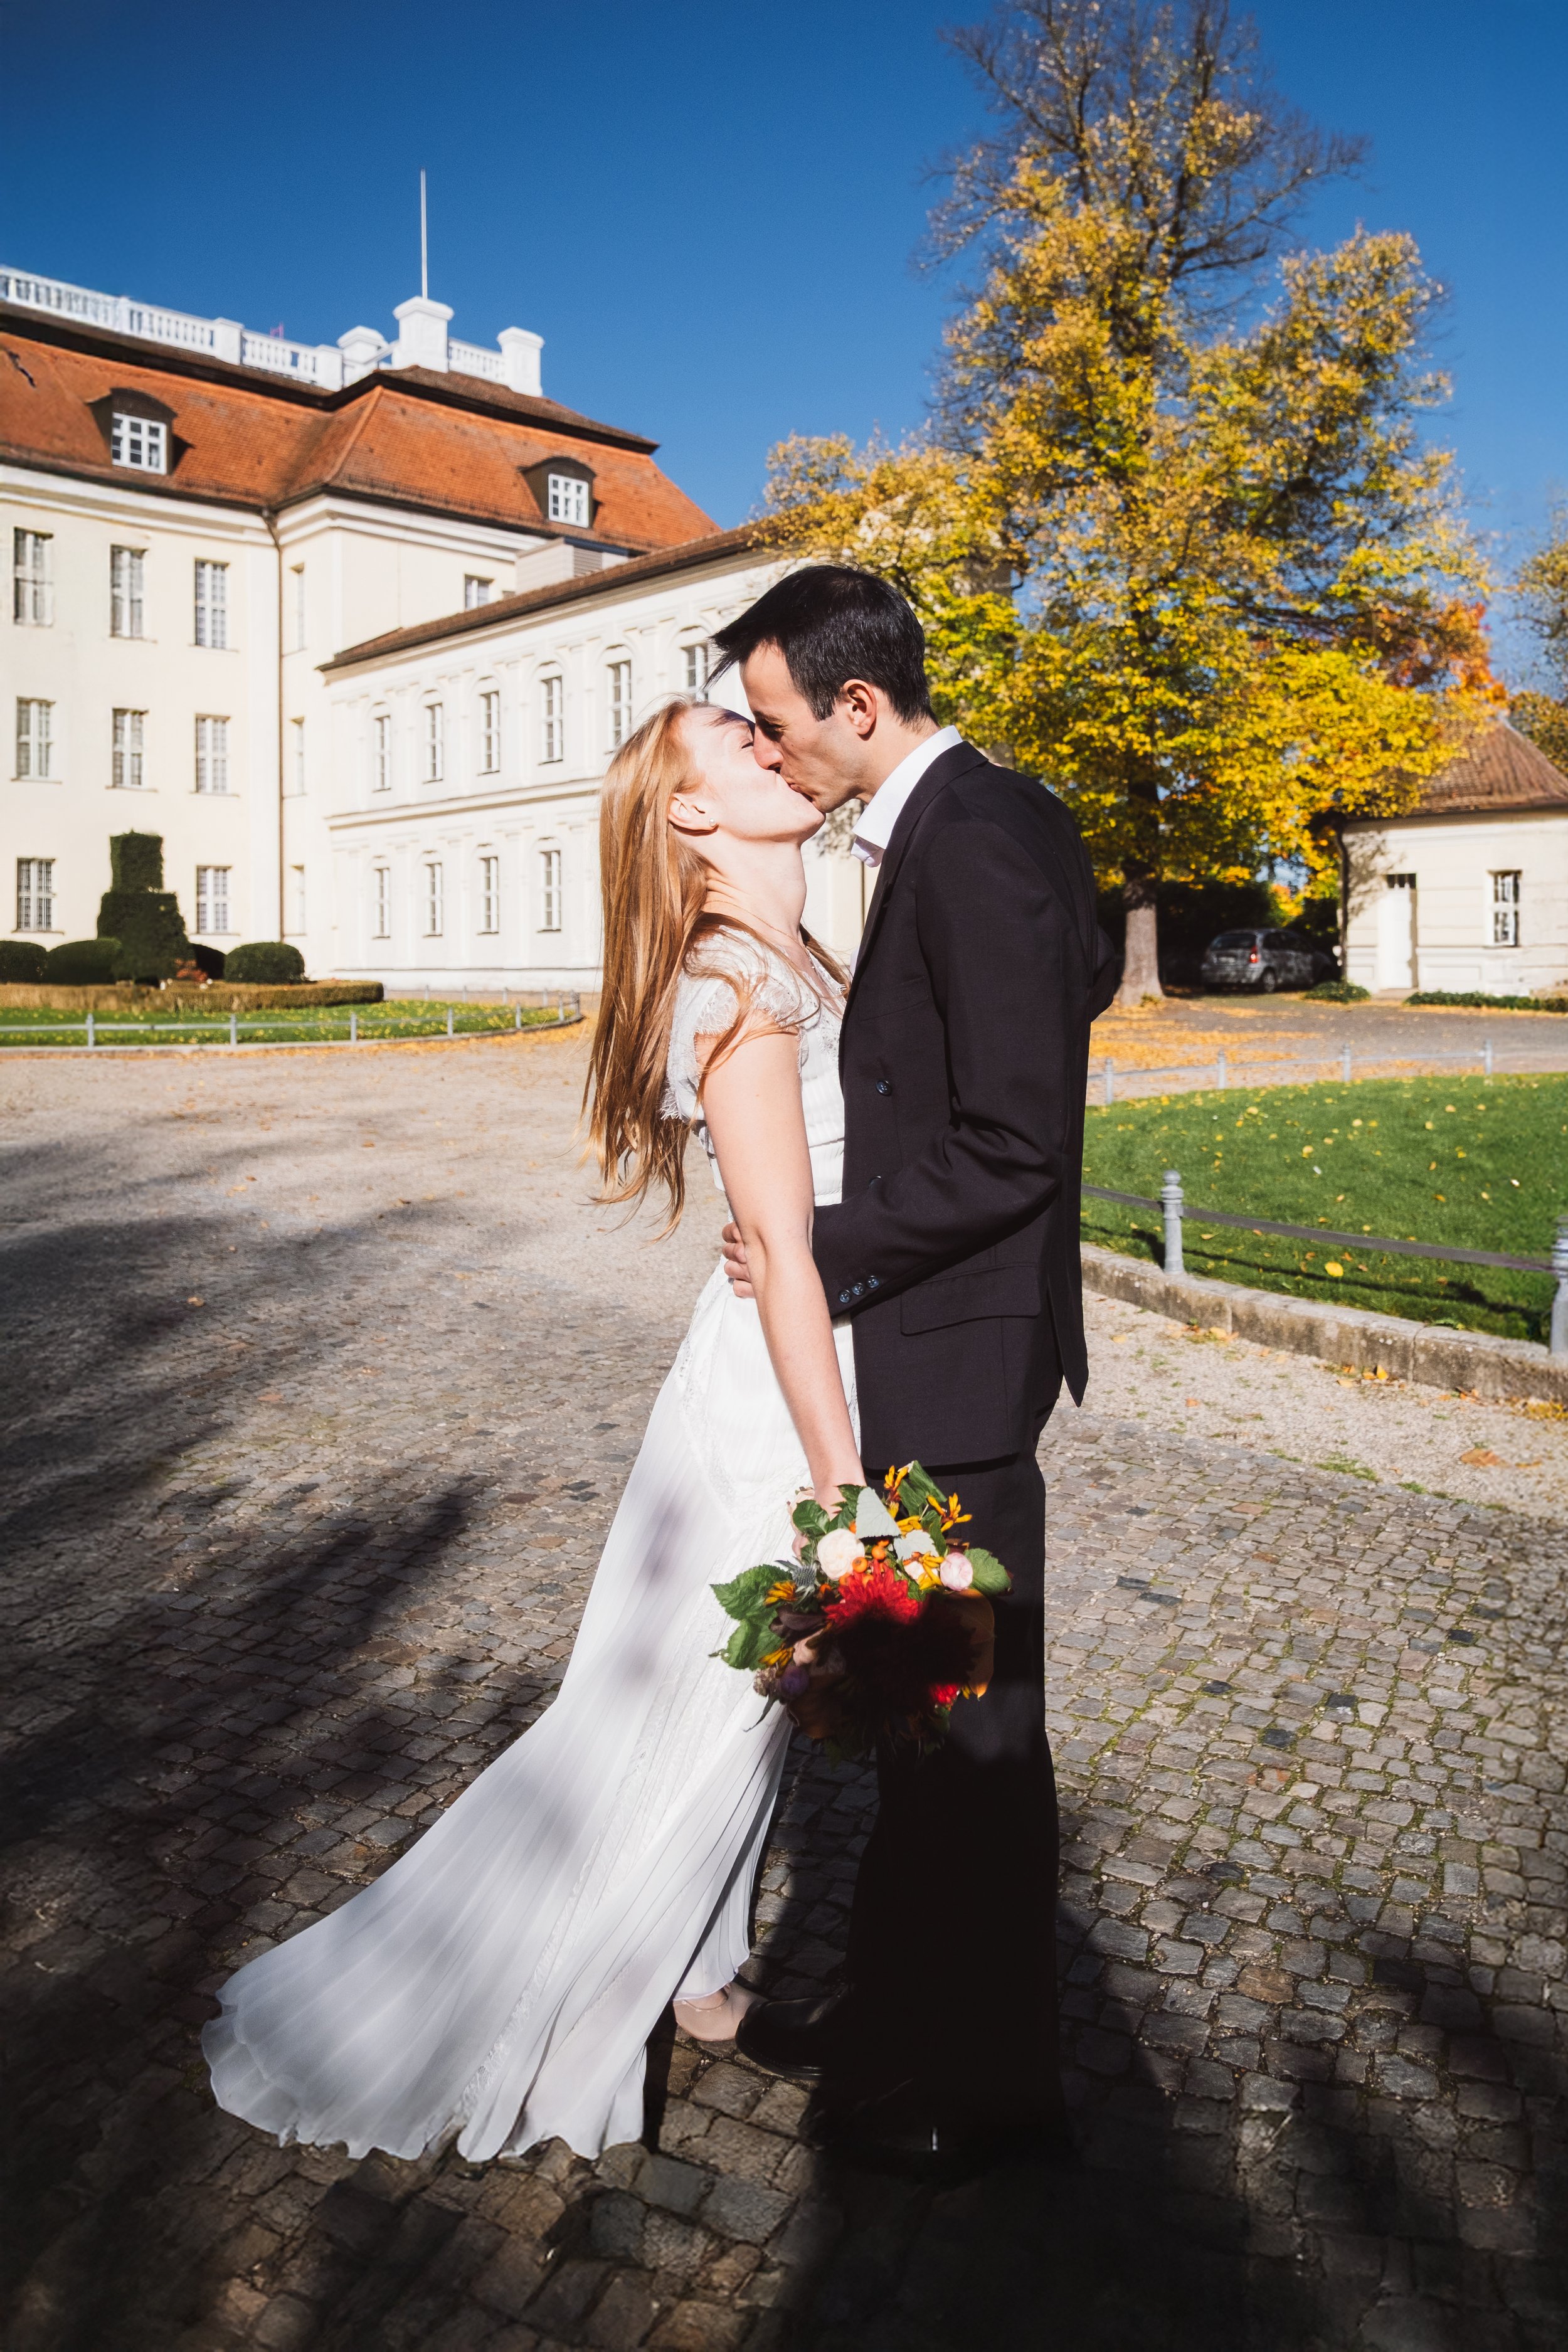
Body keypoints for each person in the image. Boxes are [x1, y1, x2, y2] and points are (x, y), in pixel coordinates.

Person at [202, 694, 867, 2164]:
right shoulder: (737, 981)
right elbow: (782, 1246)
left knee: (726, 1713)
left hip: (790, 1351)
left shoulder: (793, 951)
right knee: (692, 1708)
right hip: (779, 1388)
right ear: (690, 815)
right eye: (740, 745)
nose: (777, 747)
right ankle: (591, 1994)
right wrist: (844, 1493)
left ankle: (695, 1977)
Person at [711, 566, 1118, 2164]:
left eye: (774, 721)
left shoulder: (977, 842)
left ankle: (993, 2098)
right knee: (915, 1715)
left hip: (954, 1357)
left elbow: (1019, 1138)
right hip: (927, 1344)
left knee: (979, 1743)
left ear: (856, 707)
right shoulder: (968, 823)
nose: (770, 750)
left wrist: (817, 1242)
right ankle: (889, 2016)